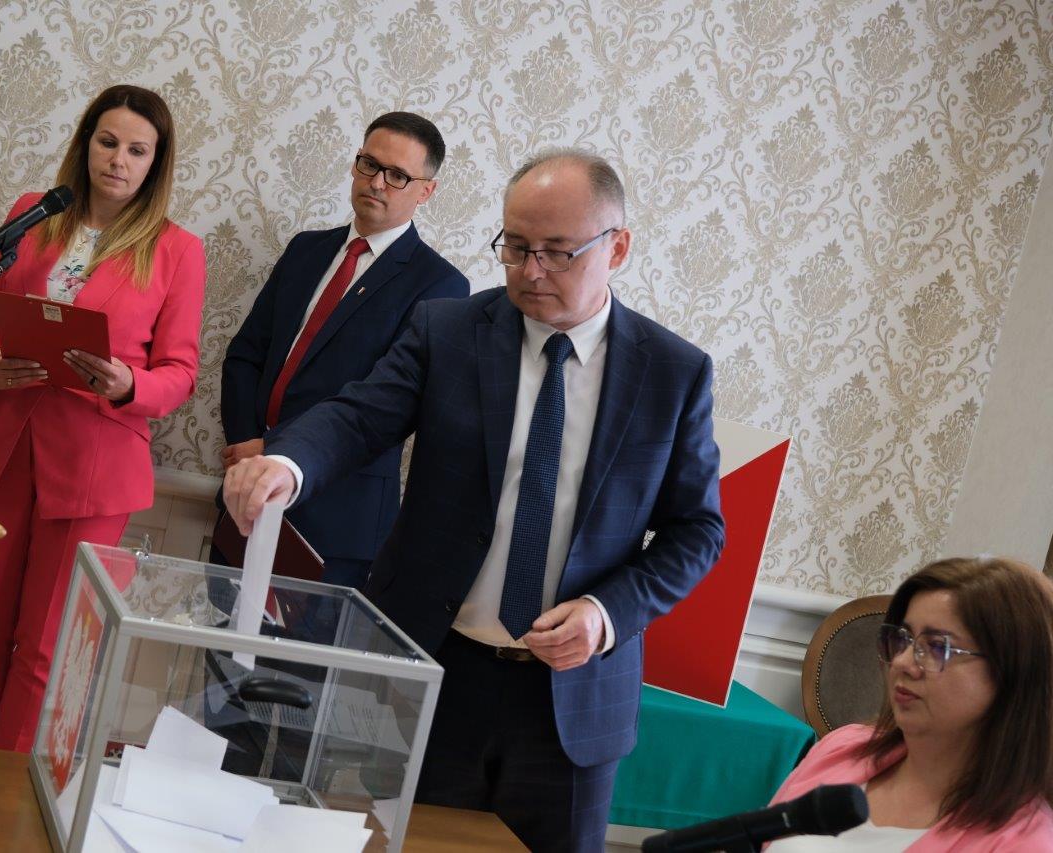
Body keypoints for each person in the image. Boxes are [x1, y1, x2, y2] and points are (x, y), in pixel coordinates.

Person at [223, 149, 725, 851]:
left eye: (557, 252)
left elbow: (697, 531)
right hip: (439, 677)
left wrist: (607, 613)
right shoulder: (448, 331)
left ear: (617, 249)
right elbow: (358, 417)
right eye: (515, 247)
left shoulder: (673, 372)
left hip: (572, 700)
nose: (530, 271)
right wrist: (286, 462)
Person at [0, 84, 205, 752]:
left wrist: (128, 384)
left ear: (156, 163)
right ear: (86, 143)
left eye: (137, 150)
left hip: (93, 468)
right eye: (108, 142)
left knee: (47, 649)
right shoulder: (33, 213)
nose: (119, 160)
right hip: (1, 448)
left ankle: (1, 798)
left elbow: (180, 370)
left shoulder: (177, 250)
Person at [219, 111, 467, 588]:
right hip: (243, 492)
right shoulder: (306, 250)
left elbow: (386, 405)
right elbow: (246, 354)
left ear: (426, 191)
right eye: (368, 164)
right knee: (217, 632)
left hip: (336, 519)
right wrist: (248, 445)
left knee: (300, 642)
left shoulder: (440, 286)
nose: (377, 182)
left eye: (397, 175)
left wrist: (275, 451)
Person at [768, 556, 1053, 850]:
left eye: (937, 646)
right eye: (903, 639)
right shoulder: (842, 748)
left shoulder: (1025, 842)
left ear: (1013, 674)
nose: (902, 662)